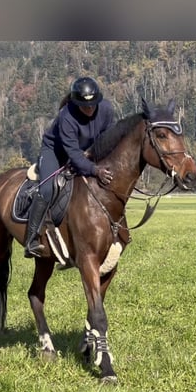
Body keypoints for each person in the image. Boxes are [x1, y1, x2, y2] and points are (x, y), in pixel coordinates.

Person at [24, 76, 116, 258]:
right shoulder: (66, 116)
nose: (89, 109)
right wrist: (95, 170)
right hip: (56, 152)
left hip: (87, 150)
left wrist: (99, 159)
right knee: (47, 189)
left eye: (92, 105)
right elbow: (73, 155)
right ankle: (31, 239)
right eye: (85, 106)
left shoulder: (106, 109)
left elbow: (109, 137)